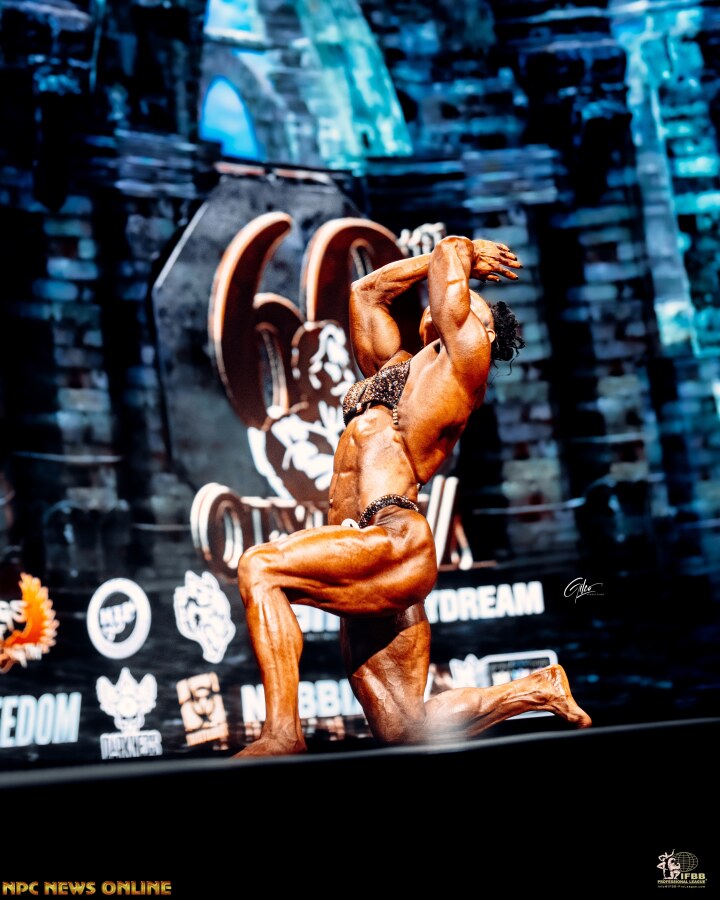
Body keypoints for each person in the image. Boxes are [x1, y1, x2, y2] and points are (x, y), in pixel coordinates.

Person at [234, 233, 592, 757]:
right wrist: (447, 258)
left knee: (260, 567)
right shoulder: (396, 369)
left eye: (470, 305)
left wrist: (463, 251)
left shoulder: (465, 361)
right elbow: (365, 293)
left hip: (394, 538)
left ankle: (282, 737)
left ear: (485, 331)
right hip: (364, 549)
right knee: (403, 727)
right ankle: (537, 690)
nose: (455, 304)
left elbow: (448, 260)